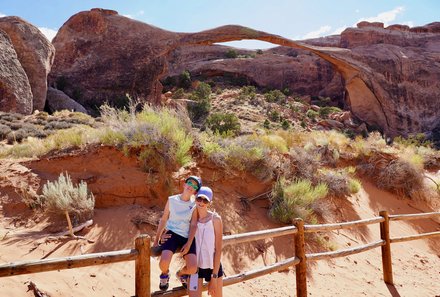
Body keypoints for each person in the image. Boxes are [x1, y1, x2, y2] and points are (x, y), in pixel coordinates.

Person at [153, 176, 202, 291]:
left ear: (195, 191)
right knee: (163, 263)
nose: (191, 186)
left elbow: (194, 224)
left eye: (195, 186)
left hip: (187, 236)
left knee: (193, 268)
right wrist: (156, 239)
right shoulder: (172, 200)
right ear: (184, 184)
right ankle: (165, 274)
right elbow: (164, 219)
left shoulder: (195, 204)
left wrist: (189, 243)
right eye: (190, 183)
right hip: (172, 234)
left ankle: (181, 274)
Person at [189, 186, 224, 297]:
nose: (201, 202)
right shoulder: (191, 218)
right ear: (195, 198)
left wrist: (214, 278)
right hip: (195, 267)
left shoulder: (216, 219)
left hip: (213, 266)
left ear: (209, 202)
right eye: (199, 199)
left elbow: (218, 250)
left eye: (205, 200)